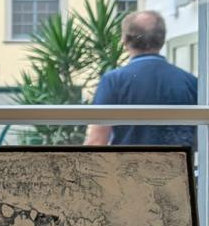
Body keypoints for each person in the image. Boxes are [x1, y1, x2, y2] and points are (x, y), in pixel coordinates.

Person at [84, 10, 197, 146]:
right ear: (162, 40)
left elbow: (97, 141)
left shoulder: (113, 81)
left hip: (129, 160)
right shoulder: (191, 82)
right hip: (179, 160)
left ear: (125, 41)